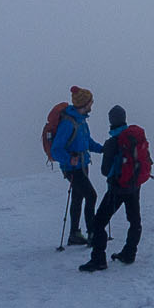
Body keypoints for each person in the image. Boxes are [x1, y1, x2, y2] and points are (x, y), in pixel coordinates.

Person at [80, 105, 148, 272]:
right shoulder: (134, 137)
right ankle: (129, 253)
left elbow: (105, 171)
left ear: (111, 121)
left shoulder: (112, 142)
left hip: (117, 189)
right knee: (134, 220)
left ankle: (98, 260)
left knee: (98, 223)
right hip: (134, 186)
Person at [49, 86, 102, 246]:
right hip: (72, 168)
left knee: (78, 197)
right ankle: (92, 233)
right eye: (90, 102)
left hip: (83, 165)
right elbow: (56, 149)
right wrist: (68, 159)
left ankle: (74, 234)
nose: (92, 104)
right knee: (91, 195)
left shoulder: (81, 120)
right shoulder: (68, 123)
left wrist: (103, 148)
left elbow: (87, 142)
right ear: (84, 104)